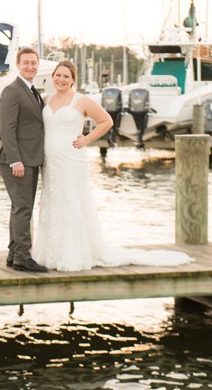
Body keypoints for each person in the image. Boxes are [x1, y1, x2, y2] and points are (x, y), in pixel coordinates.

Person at [32, 60, 193, 271]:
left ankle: (72, 254)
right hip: (51, 162)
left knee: (71, 202)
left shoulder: (82, 101)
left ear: (73, 80)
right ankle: (49, 253)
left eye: (66, 76)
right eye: (58, 75)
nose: (61, 79)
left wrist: (88, 139)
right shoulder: (45, 100)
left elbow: (106, 121)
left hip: (72, 160)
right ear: (52, 76)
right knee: (52, 201)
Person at [0, 46, 48, 272]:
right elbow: (7, 129)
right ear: (18, 65)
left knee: (19, 207)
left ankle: (13, 253)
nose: (30, 67)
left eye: (33, 63)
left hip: (30, 158)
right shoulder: (12, 90)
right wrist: (15, 160)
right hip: (17, 160)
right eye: (25, 63)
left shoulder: (31, 90)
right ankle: (23, 259)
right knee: (23, 208)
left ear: (38, 65)